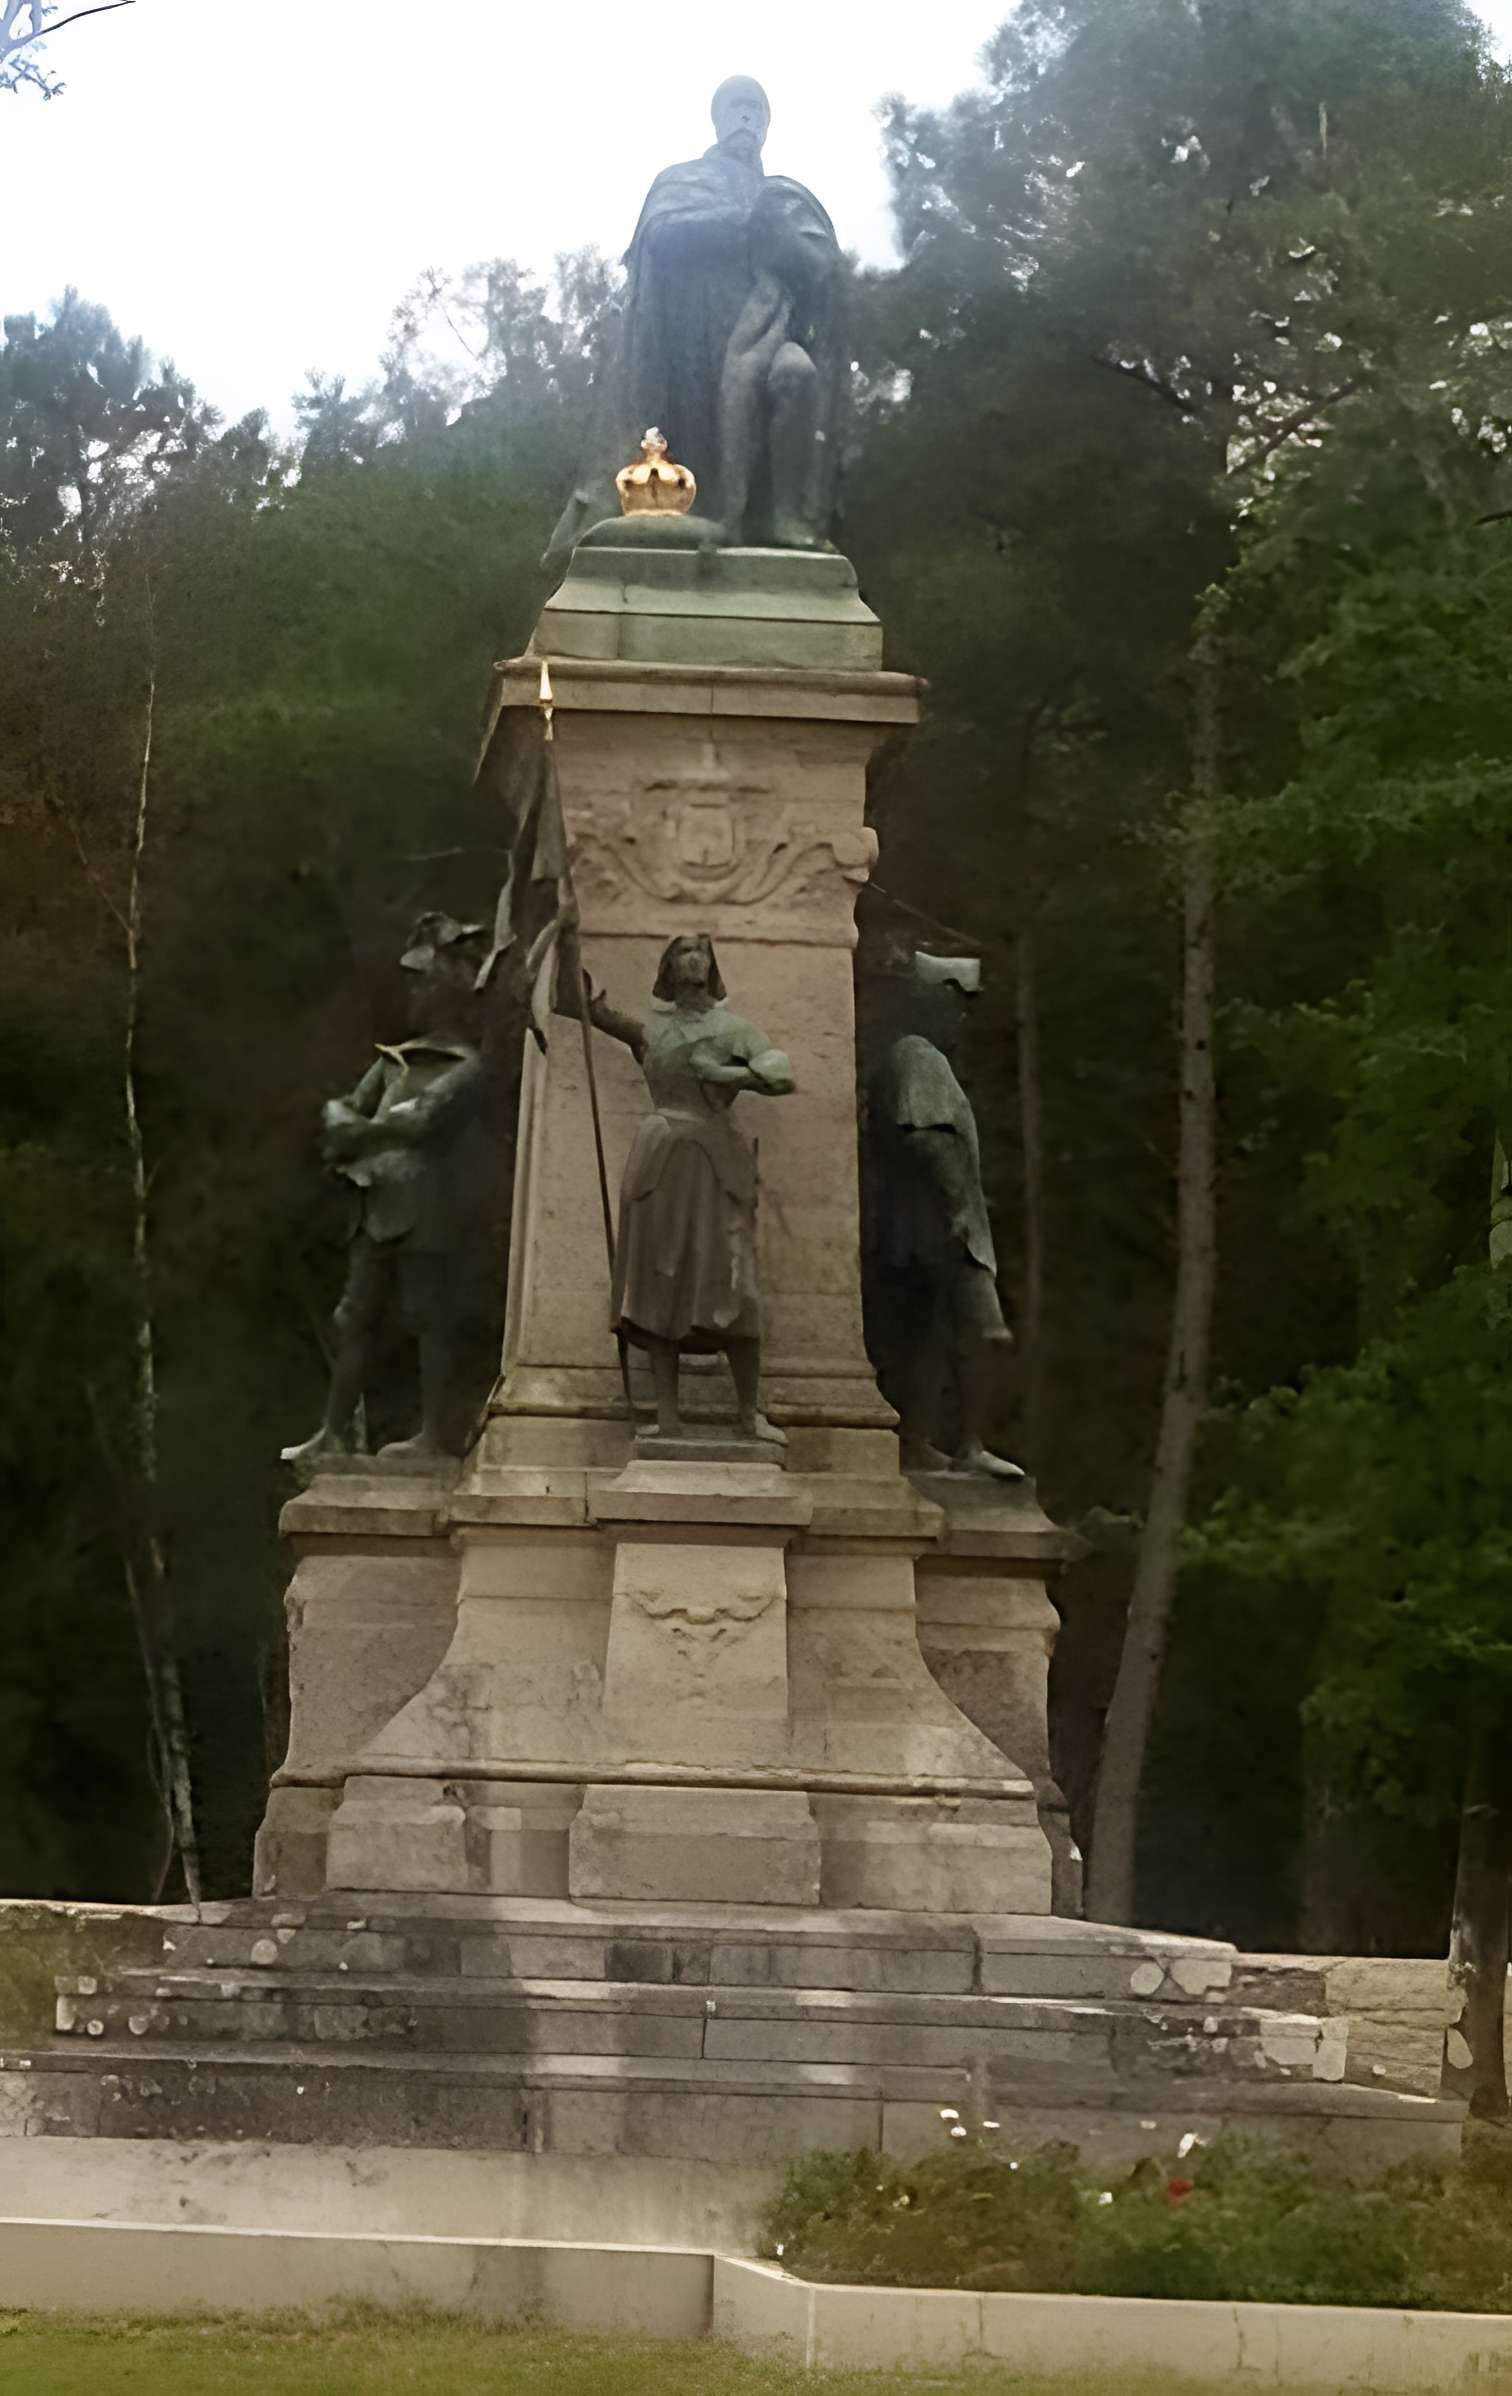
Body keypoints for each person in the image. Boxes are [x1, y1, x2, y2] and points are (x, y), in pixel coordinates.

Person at [544, 76, 844, 566]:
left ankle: (788, 519)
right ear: (718, 118)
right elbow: (660, 236)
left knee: (797, 374)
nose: (746, 117)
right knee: (702, 437)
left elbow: (821, 270)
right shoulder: (683, 180)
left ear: (767, 125)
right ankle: (714, 518)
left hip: (768, 327)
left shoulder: (784, 195)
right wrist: (743, 225)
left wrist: (788, 240)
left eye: (755, 109)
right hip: (695, 339)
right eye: (736, 107)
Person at [282, 916, 489, 1467]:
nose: (414, 993)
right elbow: (337, 1115)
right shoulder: (394, 1059)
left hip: (427, 1203)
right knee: (352, 1316)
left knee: (427, 1316)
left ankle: (433, 1435)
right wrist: (374, 1126)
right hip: (374, 1199)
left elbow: (424, 1121)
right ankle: (332, 1431)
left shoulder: (467, 1066)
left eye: (424, 984)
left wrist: (365, 1130)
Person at [585, 932, 794, 1444]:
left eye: (701, 950)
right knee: (661, 1279)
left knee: (734, 1281)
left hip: (715, 1158)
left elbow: (780, 1075)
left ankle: (749, 1412)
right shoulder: (649, 1031)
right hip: (660, 1157)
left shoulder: (733, 1028)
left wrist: (724, 1071)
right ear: (668, 966)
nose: (693, 958)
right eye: (682, 951)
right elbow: (593, 1013)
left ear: (712, 964)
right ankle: (669, 1416)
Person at [866, 954, 1024, 1482]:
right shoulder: (919, 1055)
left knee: (926, 1335)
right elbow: (928, 1135)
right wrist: (957, 1206)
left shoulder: (914, 1057)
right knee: (987, 1332)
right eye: (953, 1005)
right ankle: (971, 1443)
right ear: (930, 1002)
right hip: (940, 1222)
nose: (961, 1019)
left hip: (921, 1221)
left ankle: (918, 1441)